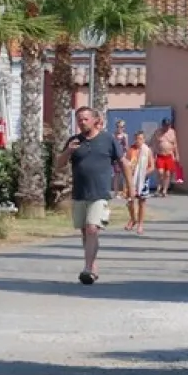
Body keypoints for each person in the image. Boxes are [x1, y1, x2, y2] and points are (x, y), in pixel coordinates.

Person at [58, 107, 123, 285]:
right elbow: (59, 165)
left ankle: (87, 268)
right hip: (80, 193)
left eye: (85, 119)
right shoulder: (74, 141)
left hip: (100, 193)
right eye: (79, 119)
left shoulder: (107, 139)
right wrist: (68, 151)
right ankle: (93, 266)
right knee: (85, 232)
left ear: (95, 120)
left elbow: (123, 162)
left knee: (93, 228)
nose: (82, 122)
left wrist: (131, 189)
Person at [123, 131, 154, 235]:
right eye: (136, 139)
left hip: (143, 179)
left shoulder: (147, 150)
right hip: (131, 179)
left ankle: (140, 224)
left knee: (142, 202)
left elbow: (152, 167)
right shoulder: (131, 150)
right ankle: (133, 219)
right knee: (130, 201)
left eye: (140, 139)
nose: (138, 141)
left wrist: (143, 174)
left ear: (144, 139)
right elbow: (126, 164)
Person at [153, 118, 179, 197]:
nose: (166, 127)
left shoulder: (172, 132)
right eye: (165, 126)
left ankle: (164, 190)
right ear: (162, 125)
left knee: (168, 174)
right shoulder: (158, 132)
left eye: (168, 126)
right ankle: (159, 187)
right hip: (160, 155)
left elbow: (175, 145)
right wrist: (153, 155)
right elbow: (155, 144)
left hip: (169, 155)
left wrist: (177, 155)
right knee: (160, 172)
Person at [112, 120, 131, 198]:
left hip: (123, 155)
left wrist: (127, 156)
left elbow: (126, 147)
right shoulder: (113, 135)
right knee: (117, 175)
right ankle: (116, 192)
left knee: (124, 175)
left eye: (122, 127)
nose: (120, 128)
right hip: (116, 157)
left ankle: (124, 192)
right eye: (119, 126)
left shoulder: (125, 135)